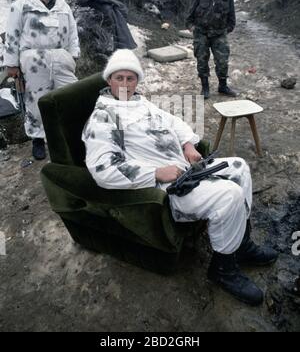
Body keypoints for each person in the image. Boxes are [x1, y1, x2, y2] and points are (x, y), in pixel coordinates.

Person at [82, 49, 278, 306]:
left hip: (186, 169)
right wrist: (154, 173)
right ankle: (223, 269)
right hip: (169, 187)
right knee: (229, 195)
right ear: (109, 80)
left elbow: (173, 121)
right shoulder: (104, 116)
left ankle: (240, 244)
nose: (126, 84)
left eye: (131, 78)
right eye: (120, 78)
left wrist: (187, 143)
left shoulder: (140, 102)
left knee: (239, 166)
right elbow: (102, 168)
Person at [3, 0, 80, 160]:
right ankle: (38, 139)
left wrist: (73, 55)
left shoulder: (63, 4)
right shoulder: (21, 4)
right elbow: (12, 34)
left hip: (61, 57)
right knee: (36, 101)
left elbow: (72, 31)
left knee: (70, 96)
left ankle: (69, 134)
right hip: (33, 59)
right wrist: (11, 64)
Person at [186, 0, 236, 100]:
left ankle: (222, 86)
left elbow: (232, 16)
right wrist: (192, 27)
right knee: (202, 60)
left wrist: (228, 29)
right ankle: (205, 87)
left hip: (219, 33)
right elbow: (190, 13)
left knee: (222, 61)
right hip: (201, 32)